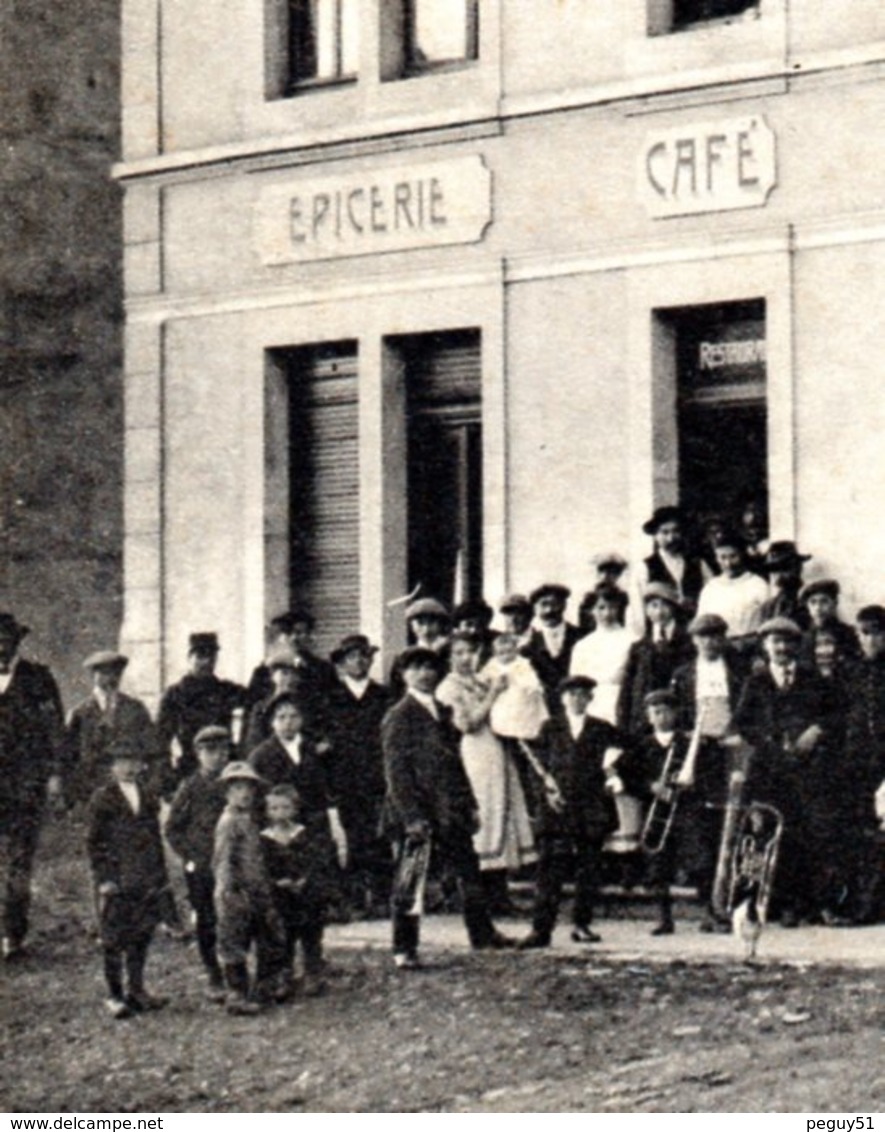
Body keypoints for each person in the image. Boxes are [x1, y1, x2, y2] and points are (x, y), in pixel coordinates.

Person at [381, 646, 514, 968]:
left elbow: (456, 764)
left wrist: (469, 804)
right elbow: (396, 773)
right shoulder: (399, 715)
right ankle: (404, 948)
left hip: (450, 808)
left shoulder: (442, 710)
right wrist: (411, 816)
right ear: (403, 674)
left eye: (429, 668)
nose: (424, 674)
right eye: (416, 668)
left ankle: (482, 934)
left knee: (469, 873)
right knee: (411, 880)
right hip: (418, 812)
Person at [731, 617, 841, 926]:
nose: (781, 648)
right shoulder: (756, 681)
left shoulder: (813, 678)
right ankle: (766, 903)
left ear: (796, 646)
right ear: (765, 647)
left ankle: (803, 904)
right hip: (769, 770)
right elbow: (741, 723)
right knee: (766, 834)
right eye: (774, 642)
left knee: (806, 835)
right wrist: (767, 740)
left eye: (787, 642)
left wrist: (816, 730)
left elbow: (836, 715)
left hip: (807, 770)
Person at [519, 676, 624, 948]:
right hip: (558, 808)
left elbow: (625, 754)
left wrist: (614, 774)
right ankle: (541, 930)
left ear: (591, 699)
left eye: (583, 695)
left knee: (588, 869)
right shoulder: (550, 727)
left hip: (591, 807)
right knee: (549, 870)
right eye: (572, 694)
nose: (577, 699)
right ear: (562, 698)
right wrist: (546, 793)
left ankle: (582, 924)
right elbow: (535, 769)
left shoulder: (602, 728)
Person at [437, 632, 537, 914]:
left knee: (504, 814)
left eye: (470, 652)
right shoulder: (448, 688)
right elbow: (466, 724)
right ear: (450, 658)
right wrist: (494, 695)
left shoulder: (482, 679)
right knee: (486, 817)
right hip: (475, 753)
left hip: (498, 749)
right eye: (458, 653)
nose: (466, 658)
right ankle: (477, 897)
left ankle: (500, 894)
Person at [631, 690, 727, 935]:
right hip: (657, 812)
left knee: (699, 860)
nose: (662, 717)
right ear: (649, 716)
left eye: (666, 711)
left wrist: (693, 782)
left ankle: (710, 913)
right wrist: (650, 786)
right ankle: (664, 918)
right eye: (656, 712)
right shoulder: (642, 745)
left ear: (675, 713)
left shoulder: (689, 742)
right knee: (657, 863)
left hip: (687, 809)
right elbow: (629, 776)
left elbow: (710, 771)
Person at [86, 738, 170, 1019]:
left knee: (142, 932)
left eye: (134, 761)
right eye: (123, 762)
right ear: (112, 767)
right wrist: (105, 879)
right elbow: (95, 844)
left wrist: (159, 875)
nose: (129, 767)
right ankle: (114, 994)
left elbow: (155, 838)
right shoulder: (103, 798)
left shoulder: (146, 795)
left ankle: (137, 989)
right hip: (117, 878)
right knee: (113, 938)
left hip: (144, 877)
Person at [0, 611, 64, 960]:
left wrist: (53, 774)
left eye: (5, 640)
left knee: (19, 863)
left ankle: (13, 934)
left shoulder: (38, 679)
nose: (0, 647)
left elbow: (55, 731)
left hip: (24, 787)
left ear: (16, 642)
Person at [324, 634, 393, 918]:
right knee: (353, 837)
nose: (360, 661)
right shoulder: (331, 698)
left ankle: (381, 897)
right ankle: (354, 898)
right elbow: (324, 740)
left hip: (377, 776)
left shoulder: (383, 696)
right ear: (342, 664)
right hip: (346, 779)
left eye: (364, 655)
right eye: (353, 656)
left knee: (380, 836)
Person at [213, 761, 285, 1014]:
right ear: (227, 793)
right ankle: (237, 994)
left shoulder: (250, 819)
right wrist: (229, 892)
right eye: (237, 788)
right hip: (235, 892)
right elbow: (223, 860)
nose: (244, 794)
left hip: (257, 889)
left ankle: (264, 988)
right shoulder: (229, 821)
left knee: (269, 936)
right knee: (233, 942)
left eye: (248, 788)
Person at [165, 725, 231, 999]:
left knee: (234, 914)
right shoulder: (191, 787)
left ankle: (234, 968)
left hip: (230, 862)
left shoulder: (234, 781)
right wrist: (192, 856)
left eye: (222, 750)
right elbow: (172, 828)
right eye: (210, 751)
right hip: (203, 865)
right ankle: (213, 972)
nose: (217, 757)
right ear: (199, 754)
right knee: (206, 917)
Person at [260, 784, 331, 999]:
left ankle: (313, 972)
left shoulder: (302, 834)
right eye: (274, 808)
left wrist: (304, 879)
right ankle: (285, 975)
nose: (279, 813)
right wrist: (275, 882)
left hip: (305, 893)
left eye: (285, 808)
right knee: (284, 935)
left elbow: (314, 861)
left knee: (310, 932)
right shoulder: (265, 838)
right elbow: (262, 866)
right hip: (280, 894)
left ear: (294, 809)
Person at [63, 651, 157, 806]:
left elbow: (153, 750)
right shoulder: (80, 714)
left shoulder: (135, 709)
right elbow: (69, 758)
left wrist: (150, 786)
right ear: (94, 676)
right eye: (104, 673)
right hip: (91, 792)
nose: (111, 679)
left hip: (130, 790)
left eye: (116, 674)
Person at [157, 633, 247, 792]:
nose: (206, 662)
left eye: (211, 657)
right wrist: (167, 776)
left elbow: (257, 701)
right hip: (191, 767)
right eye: (200, 656)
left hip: (226, 767)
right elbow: (160, 739)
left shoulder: (226, 690)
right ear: (189, 658)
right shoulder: (175, 694)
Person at [843, 605, 885, 923]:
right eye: (862, 633)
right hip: (858, 760)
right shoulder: (852, 670)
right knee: (861, 831)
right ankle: (865, 903)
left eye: (873, 633)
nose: (867, 639)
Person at [617, 582, 695, 739]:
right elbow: (627, 690)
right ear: (646, 610)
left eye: (665, 606)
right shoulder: (639, 648)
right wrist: (623, 727)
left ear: (674, 608)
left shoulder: (689, 643)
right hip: (645, 722)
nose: (659, 612)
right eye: (653, 606)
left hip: (679, 721)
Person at [246, 610, 336, 718]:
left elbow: (331, 707)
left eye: (300, 633)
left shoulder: (323, 669)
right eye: (288, 633)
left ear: (310, 636)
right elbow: (252, 708)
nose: (294, 638)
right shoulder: (263, 672)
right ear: (280, 637)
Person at [569, 585, 638, 726]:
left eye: (612, 607)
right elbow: (575, 682)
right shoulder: (582, 645)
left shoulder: (632, 640)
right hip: (590, 705)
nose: (607, 613)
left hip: (620, 704)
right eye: (601, 607)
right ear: (591, 611)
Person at [633, 506, 709, 630]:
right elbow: (638, 609)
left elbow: (711, 597)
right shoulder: (644, 567)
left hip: (694, 632)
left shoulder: (698, 564)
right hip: (661, 635)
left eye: (676, 531)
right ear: (655, 535)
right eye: (665, 532)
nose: (671, 538)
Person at [243, 645, 328, 756]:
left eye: (294, 674)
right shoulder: (261, 708)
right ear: (273, 676)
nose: (290, 679)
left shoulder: (307, 706)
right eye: (284, 673)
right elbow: (254, 743)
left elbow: (317, 737)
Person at [696, 532, 769, 652]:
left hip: (752, 649)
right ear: (716, 558)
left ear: (742, 555)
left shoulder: (758, 585)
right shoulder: (710, 588)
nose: (728, 563)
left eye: (733, 556)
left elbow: (767, 622)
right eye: (722, 557)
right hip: (719, 649)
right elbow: (701, 625)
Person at [524, 584, 585, 708]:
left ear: (564, 606)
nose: (549, 610)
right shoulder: (528, 648)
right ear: (535, 609)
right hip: (543, 710)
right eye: (543, 604)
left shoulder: (582, 638)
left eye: (554, 604)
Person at [799, 580, 861, 668]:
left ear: (835, 603)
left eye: (824, 601)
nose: (818, 608)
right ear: (808, 607)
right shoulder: (804, 639)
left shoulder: (849, 634)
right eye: (813, 602)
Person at [759, 542, 812, 629]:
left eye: (784, 568)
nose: (779, 575)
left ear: (798, 568)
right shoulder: (769, 607)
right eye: (775, 570)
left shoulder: (811, 601)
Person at [452, 599, 498, 667]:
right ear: (459, 626)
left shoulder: (497, 643)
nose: (474, 630)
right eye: (469, 625)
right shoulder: (451, 647)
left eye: (480, 625)